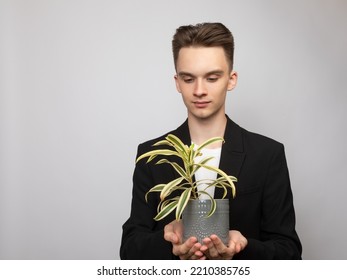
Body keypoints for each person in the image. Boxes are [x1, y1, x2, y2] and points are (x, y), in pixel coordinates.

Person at [120, 22, 302, 260]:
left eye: (212, 78)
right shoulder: (152, 155)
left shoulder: (267, 155)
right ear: (177, 82)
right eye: (188, 79)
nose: (199, 90)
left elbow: (289, 253)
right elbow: (130, 249)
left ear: (231, 79)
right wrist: (169, 242)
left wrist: (242, 247)